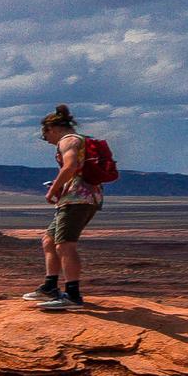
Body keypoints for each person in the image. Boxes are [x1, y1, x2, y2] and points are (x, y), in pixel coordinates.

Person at [31, 105, 115, 308]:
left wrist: (53, 191)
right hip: (78, 197)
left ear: (52, 129)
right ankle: (50, 286)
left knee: (65, 245)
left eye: (46, 136)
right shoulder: (80, 140)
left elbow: (70, 167)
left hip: (78, 198)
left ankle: (72, 295)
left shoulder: (67, 140)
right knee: (49, 240)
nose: (48, 141)